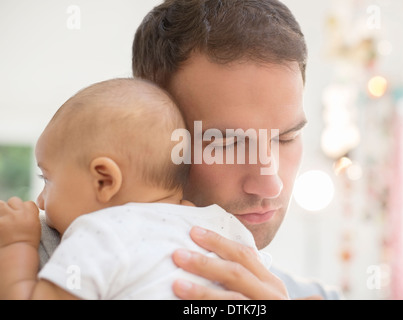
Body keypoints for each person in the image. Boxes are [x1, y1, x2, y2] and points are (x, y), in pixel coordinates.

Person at [40, 0, 342, 299]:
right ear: (151, 133)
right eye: (226, 143)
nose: (270, 182)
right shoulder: (35, 265)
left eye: (286, 138)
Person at [0, 78, 272, 300]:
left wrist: (16, 243)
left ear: (104, 180)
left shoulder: (97, 234)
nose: (41, 201)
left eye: (47, 179)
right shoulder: (220, 226)